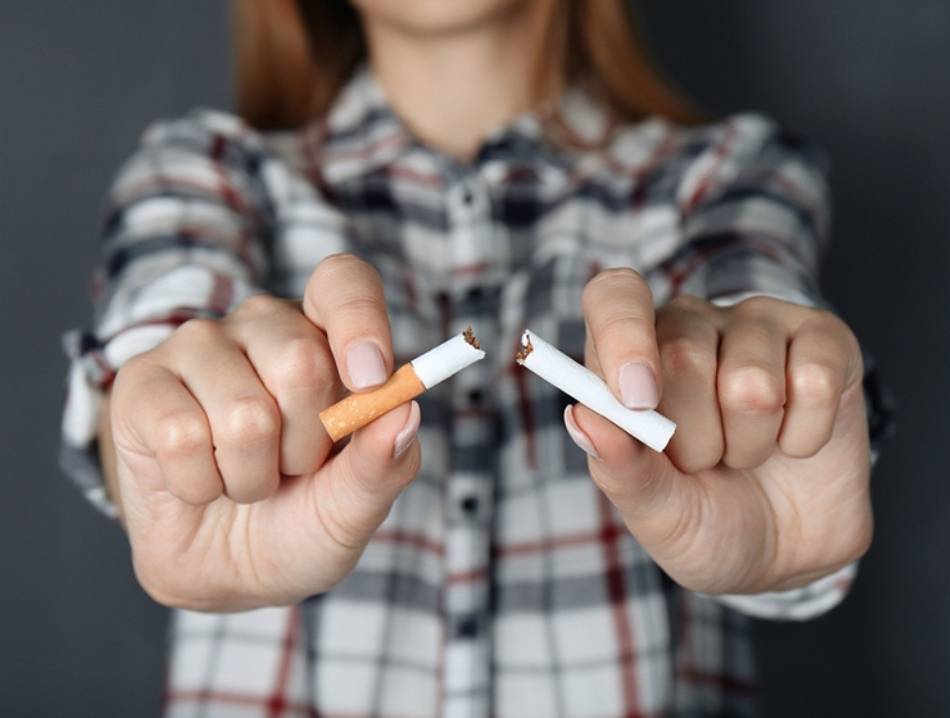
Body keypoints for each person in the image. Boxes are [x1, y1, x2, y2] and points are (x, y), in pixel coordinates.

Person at [61, 0, 878, 715]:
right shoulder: (205, 172)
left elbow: (750, 287)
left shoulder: (729, 176)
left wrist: (773, 397)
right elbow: (161, 327)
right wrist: (170, 437)